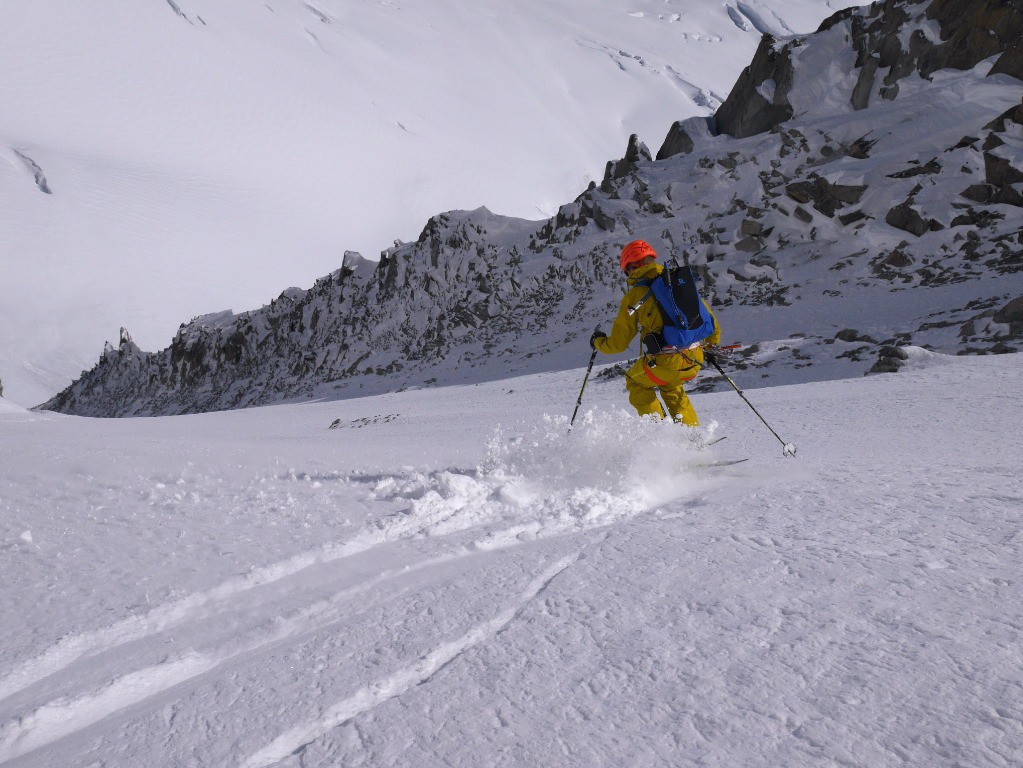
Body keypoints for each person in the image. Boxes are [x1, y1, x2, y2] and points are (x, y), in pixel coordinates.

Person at [590, 239, 720, 426]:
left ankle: (659, 438)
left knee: (635, 382)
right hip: (694, 358)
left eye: (627, 269)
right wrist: (712, 344)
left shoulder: (635, 295)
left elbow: (618, 345)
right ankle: (693, 441)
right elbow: (708, 317)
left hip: (664, 362)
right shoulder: (677, 282)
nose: (627, 274)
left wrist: (598, 342)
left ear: (632, 266)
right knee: (672, 389)